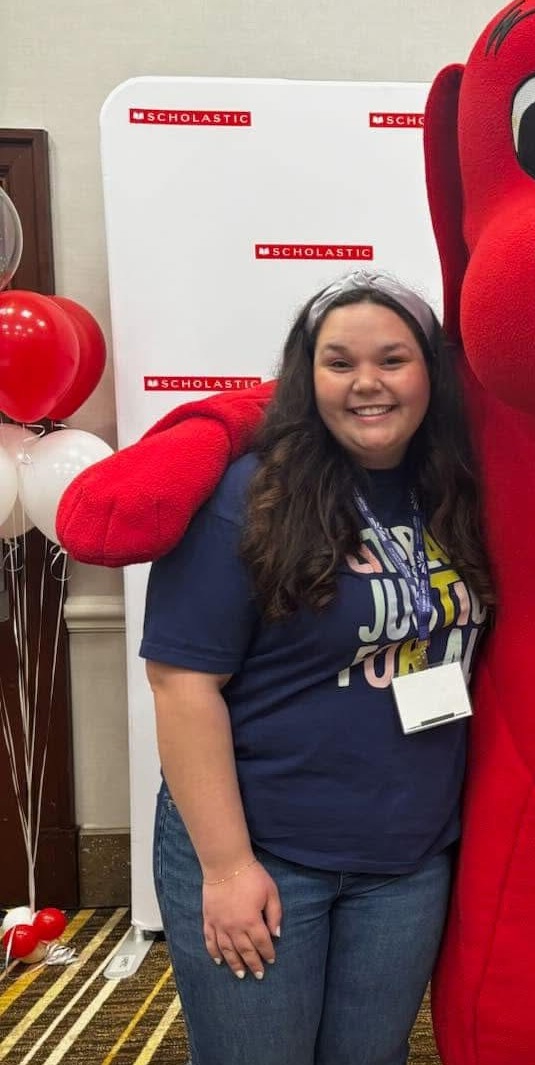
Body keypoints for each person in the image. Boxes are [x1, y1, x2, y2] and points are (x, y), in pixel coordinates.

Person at [141, 270, 492, 1065]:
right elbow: (182, 684)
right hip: (268, 852)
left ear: (431, 373)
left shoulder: (457, 491)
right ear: (308, 378)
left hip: (407, 860)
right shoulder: (249, 494)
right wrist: (227, 868)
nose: (367, 383)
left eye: (393, 359)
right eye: (339, 363)